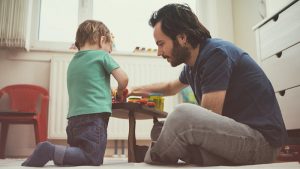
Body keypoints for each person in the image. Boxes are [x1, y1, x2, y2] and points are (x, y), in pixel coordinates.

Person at [128, 3, 287, 166]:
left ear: (182, 38)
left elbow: (209, 113)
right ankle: (202, 157)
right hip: (238, 137)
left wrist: (176, 125)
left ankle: (152, 158)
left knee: (181, 115)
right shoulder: (192, 64)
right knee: (160, 129)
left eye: (161, 44)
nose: (159, 52)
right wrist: (133, 89)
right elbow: (170, 87)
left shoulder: (216, 54)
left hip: (262, 144)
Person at [22, 20, 128, 167]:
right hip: (93, 119)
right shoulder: (102, 56)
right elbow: (124, 79)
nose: (109, 52)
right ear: (102, 40)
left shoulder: (74, 61)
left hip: (74, 120)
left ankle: (56, 152)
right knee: (93, 158)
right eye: (109, 49)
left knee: (76, 154)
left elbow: (90, 84)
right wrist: (120, 92)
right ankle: (50, 150)